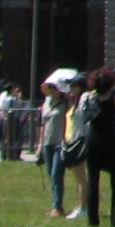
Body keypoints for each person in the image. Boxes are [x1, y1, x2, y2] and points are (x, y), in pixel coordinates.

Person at [78, 70, 115, 227]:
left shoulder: (90, 99)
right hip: (111, 142)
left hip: (93, 142)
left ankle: (93, 220)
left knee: (93, 182)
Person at [38, 77, 72, 217]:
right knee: (51, 175)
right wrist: (39, 145)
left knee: (56, 173)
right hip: (47, 142)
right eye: (48, 88)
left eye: (52, 87)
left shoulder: (66, 105)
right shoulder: (46, 104)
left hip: (60, 143)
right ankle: (56, 204)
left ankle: (57, 207)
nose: (49, 90)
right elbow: (42, 125)